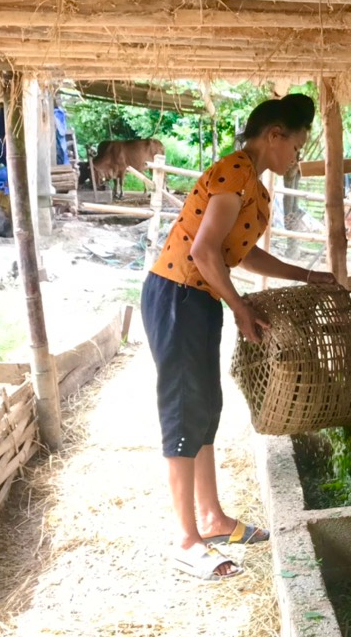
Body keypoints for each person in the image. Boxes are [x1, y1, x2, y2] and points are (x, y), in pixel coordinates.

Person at [140, 94, 336, 580]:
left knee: (205, 406)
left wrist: (306, 277)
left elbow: (240, 254)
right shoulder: (233, 172)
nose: (296, 156)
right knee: (184, 408)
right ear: (274, 136)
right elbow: (206, 252)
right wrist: (241, 306)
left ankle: (211, 517)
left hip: (197, 298)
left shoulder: (252, 185)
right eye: (296, 145)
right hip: (178, 295)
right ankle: (186, 539)